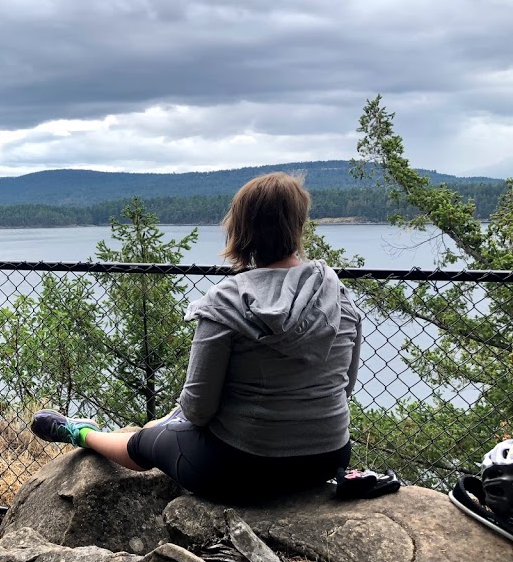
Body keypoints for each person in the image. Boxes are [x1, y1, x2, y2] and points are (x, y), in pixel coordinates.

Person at [31, 172, 362, 503]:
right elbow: (344, 387)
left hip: (241, 468)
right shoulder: (337, 296)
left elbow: (199, 410)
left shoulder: (228, 301)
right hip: (327, 460)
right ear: (298, 225)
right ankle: (144, 425)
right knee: (173, 422)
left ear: (241, 229)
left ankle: (82, 433)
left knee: (149, 441)